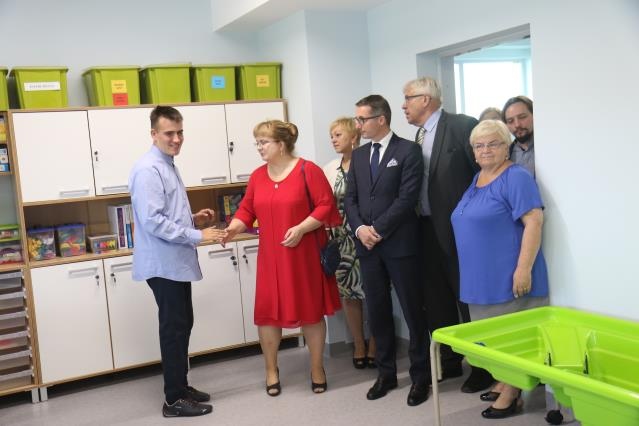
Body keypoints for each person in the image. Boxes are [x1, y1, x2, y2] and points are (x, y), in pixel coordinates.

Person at [220, 120, 342, 397]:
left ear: (282, 144)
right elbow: (246, 210)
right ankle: (271, 370)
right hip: (271, 258)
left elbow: (326, 205)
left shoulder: (307, 170)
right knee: (268, 313)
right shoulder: (257, 176)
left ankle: (317, 368)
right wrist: (233, 229)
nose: (259, 147)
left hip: (304, 255)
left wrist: (301, 228)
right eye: (258, 142)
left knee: (310, 312)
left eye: (264, 142)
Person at [129, 105, 225, 417]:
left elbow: (165, 212)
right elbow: (153, 221)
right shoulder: (148, 169)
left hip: (174, 261)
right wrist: (198, 234)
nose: (177, 139)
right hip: (163, 263)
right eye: (169, 133)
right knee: (173, 329)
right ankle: (173, 400)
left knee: (183, 324)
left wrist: (192, 218)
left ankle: (181, 387)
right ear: (154, 134)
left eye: (180, 132)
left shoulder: (167, 164)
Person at [451, 119, 549, 419]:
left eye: (493, 143)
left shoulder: (516, 177)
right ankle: (506, 379)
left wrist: (523, 269)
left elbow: (534, 221)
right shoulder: (478, 177)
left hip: (508, 276)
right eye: (479, 145)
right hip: (480, 279)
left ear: (506, 147)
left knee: (514, 340)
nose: (485, 150)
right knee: (495, 340)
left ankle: (512, 392)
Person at [401, 77, 493, 393]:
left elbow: (483, 175)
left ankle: (482, 366)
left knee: (466, 299)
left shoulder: (462, 126)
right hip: (425, 228)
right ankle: (450, 360)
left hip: (459, 230)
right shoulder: (417, 136)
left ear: (426, 99)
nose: (404, 105)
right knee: (436, 299)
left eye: (408, 98)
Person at [344, 95, 430, 407]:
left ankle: (420, 377)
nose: (358, 125)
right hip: (367, 247)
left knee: (412, 310)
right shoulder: (359, 154)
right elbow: (350, 199)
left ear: (381, 119)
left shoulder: (408, 150)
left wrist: (376, 229)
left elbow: (407, 199)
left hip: (400, 244)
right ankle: (386, 373)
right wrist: (360, 230)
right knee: (377, 311)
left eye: (362, 119)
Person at [323, 117, 376, 369]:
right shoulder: (329, 168)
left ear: (354, 137)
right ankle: (358, 344)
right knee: (350, 294)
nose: (333, 140)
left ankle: (375, 343)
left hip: (368, 236)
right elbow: (325, 203)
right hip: (342, 240)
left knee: (374, 292)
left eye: (338, 135)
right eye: (331, 136)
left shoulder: (369, 162)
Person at [502, 96, 535, 176]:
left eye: (522, 117)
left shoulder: (549, 146)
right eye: (510, 121)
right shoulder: (505, 155)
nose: (517, 125)